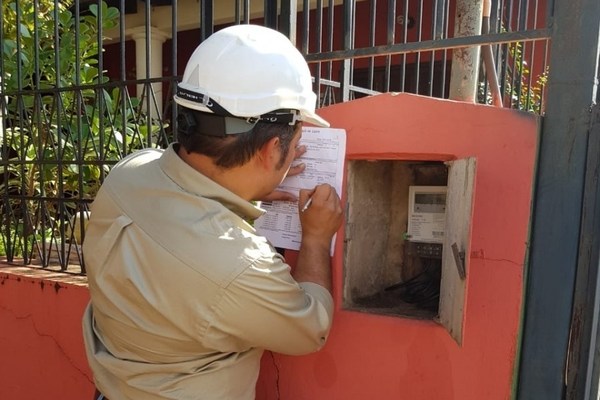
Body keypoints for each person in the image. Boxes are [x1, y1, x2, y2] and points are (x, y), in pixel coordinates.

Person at [82, 24, 343, 400]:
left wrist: (252, 190)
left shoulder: (128, 174)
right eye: (295, 143)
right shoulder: (239, 266)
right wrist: (317, 238)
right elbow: (309, 328)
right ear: (271, 150)